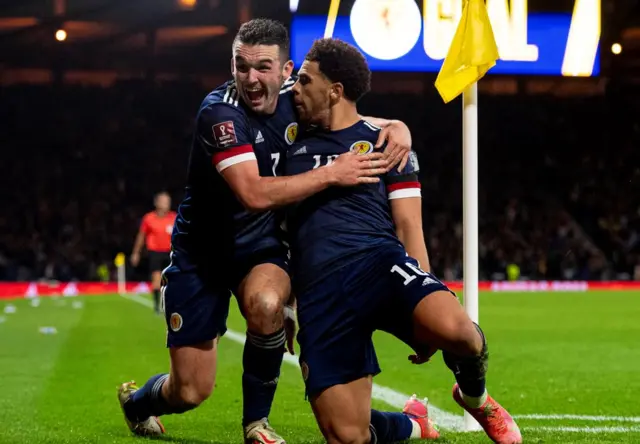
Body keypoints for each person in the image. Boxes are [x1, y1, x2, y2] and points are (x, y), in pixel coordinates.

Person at [117, 19, 413, 444]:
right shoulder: (219, 113)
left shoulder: (299, 100)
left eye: (263, 67)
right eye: (241, 66)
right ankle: (139, 402)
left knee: (267, 303)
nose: (251, 78)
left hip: (259, 247)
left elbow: (359, 119)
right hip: (200, 257)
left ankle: (256, 424)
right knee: (191, 390)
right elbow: (253, 193)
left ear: (286, 70)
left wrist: (398, 126)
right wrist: (332, 173)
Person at [285, 38, 522, 444]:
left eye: (305, 80)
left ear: (335, 90)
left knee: (460, 332)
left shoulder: (387, 143)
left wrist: (422, 296)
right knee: (348, 437)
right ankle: (414, 424)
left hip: (378, 263)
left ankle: (476, 397)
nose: (295, 88)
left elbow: (409, 225)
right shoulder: (285, 140)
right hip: (320, 290)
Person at [130, 192, 176, 314]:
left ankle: (171, 304)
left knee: (173, 280)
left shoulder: (174, 217)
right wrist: (136, 253)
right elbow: (141, 236)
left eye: (168, 201)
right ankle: (157, 306)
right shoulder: (149, 218)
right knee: (156, 279)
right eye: (164, 201)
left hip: (171, 252)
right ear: (157, 203)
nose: (166, 203)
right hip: (155, 252)